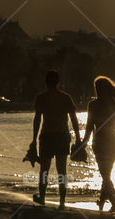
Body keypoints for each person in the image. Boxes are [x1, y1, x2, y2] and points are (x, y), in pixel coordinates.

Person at [80, 76, 115, 212]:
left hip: (101, 142)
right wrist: (82, 145)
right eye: (96, 88)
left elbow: (89, 128)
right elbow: (89, 127)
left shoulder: (94, 105)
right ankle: (102, 202)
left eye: (99, 88)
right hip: (109, 142)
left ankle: (113, 203)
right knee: (106, 173)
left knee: (105, 174)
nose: (97, 90)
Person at [30, 70, 81, 210]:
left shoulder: (41, 97)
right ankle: (62, 202)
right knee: (62, 170)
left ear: (46, 82)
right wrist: (78, 137)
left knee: (44, 169)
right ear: (58, 82)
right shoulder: (65, 97)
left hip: (47, 135)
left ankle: (42, 197)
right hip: (62, 136)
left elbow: (37, 120)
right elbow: (74, 119)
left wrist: (34, 139)